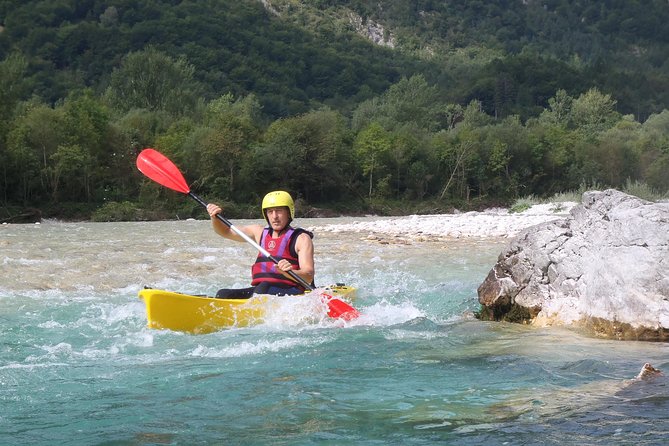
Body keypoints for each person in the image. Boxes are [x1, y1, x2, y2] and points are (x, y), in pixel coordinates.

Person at [206, 191, 315, 298]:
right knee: (223, 294)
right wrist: (215, 218)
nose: (274, 216)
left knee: (263, 289)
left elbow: (308, 276)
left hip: (290, 291)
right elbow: (225, 231)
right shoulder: (259, 232)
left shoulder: (301, 239)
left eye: (279, 211)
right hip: (261, 291)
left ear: (288, 213)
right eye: (270, 211)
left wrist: (289, 272)